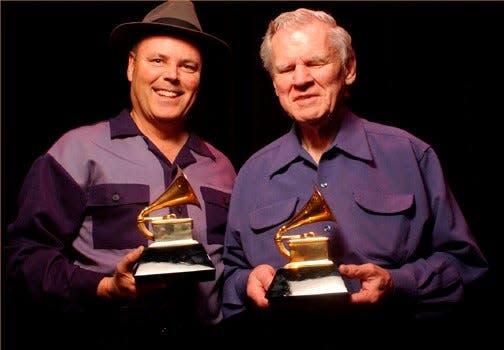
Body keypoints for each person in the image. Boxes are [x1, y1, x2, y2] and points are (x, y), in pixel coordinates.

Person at [221, 6, 488, 341]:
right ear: (275, 84)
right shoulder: (251, 174)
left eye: (315, 63)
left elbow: (467, 269)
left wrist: (398, 284)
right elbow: (230, 276)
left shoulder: (411, 155)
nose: (301, 79)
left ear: (348, 69)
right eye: (286, 68)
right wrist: (245, 282)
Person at [5, 1, 236, 349]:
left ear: (199, 78)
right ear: (131, 66)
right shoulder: (75, 151)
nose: (171, 76)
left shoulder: (223, 168)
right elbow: (22, 257)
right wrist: (103, 287)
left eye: (187, 66)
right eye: (157, 60)